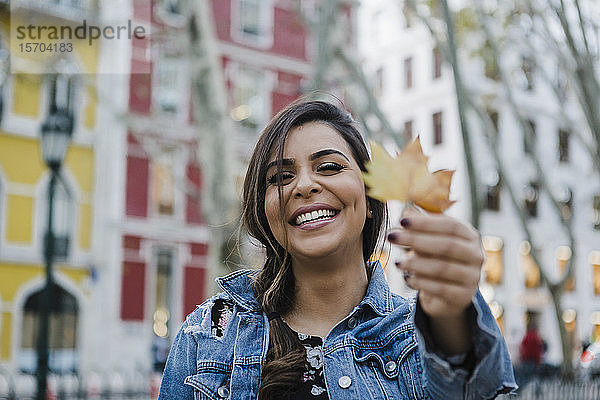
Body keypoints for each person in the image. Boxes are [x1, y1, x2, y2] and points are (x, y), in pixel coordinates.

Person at [158, 99, 517, 399]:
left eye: (328, 167)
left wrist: (452, 320)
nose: (304, 185)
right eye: (280, 177)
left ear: (370, 196)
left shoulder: (419, 336)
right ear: (264, 212)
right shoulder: (208, 335)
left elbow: (472, 386)